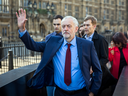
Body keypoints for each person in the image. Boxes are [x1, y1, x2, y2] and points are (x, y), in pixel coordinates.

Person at [16, 9, 102, 96]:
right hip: (59, 92)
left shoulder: (87, 45)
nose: (65, 29)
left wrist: (92, 92)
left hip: (81, 93)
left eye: (69, 26)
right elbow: (33, 45)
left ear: (76, 29)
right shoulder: (53, 42)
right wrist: (22, 29)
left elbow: (98, 70)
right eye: (63, 26)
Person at [82, 15, 116, 95]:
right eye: (84, 25)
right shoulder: (82, 39)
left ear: (94, 26)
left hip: (98, 75)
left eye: (88, 25)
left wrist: (94, 67)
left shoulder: (101, 39)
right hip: (85, 75)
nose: (85, 27)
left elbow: (105, 58)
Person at [44, 15, 63, 96]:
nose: (56, 26)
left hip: (61, 73)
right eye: (54, 24)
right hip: (50, 72)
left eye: (58, 24)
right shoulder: (48, 37)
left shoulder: (67, 37)